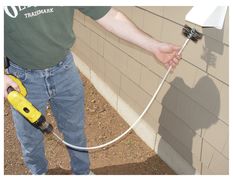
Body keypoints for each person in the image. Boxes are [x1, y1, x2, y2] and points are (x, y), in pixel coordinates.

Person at [4, 6, 181, 175]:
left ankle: (82, 172)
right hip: (23, 79)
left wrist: (154, 46)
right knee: (30, 137)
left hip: (64, 70)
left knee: (74, 129)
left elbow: (111, 17)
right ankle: (38, 172)